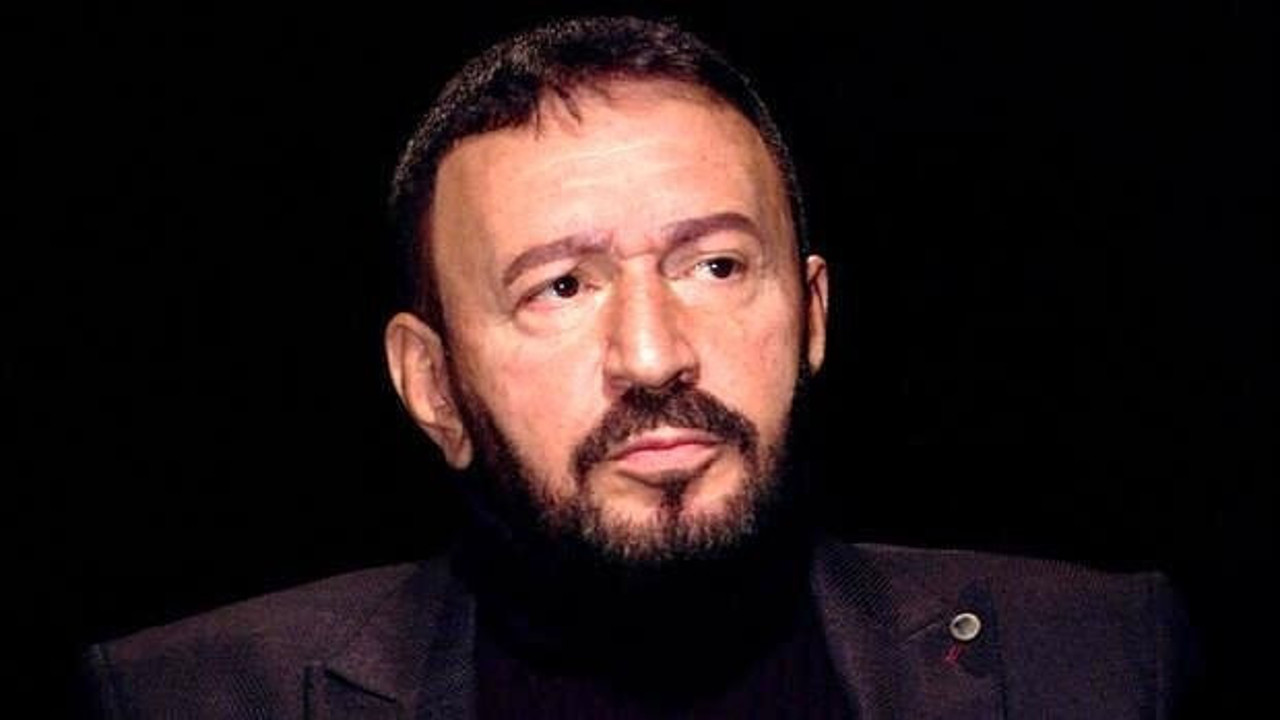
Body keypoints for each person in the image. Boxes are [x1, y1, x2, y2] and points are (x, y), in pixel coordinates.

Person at [81, 16, 1194, 718]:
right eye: (560, 287)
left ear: (810, 314)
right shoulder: (190, 697)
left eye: (715, 266)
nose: (654, 356)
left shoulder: (1099, 657)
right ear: (433, 386)